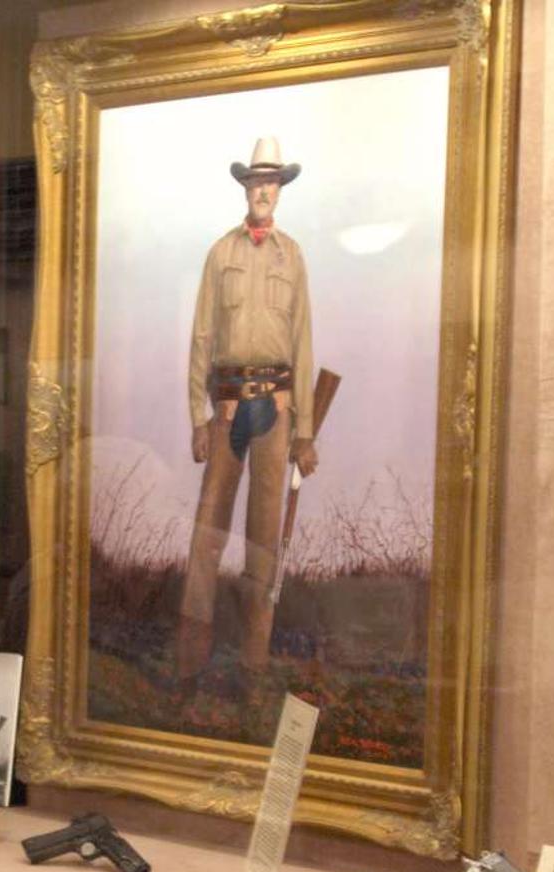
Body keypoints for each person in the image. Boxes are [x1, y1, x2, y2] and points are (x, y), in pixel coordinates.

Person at [175, 137, 320, 688]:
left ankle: (253, 663)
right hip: (229, 412)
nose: (264, 191)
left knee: (264, 535)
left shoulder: (294, 256)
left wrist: (304, 432)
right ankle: (190, 660)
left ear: (280, 191)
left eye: (272, 183)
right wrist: (197, 417)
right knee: (208, 531)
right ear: (245, 188)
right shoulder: (221, 254)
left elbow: (303, 344)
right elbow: (201, 339)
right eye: (256, 182)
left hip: (276, 413)